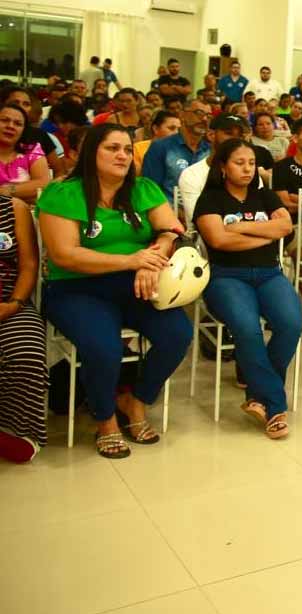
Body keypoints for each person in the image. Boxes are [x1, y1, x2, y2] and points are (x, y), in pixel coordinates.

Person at [38, 124, 192, 459]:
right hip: (76, 286)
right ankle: (105, 419)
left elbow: (172, 230)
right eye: (112, 148)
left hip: (137, 283)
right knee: (104, 348)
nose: (122, 155)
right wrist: (131, 260)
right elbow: (65, 255)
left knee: (178, 334)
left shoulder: (143, 189)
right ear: (91, 152)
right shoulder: (62, 193)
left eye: (127, 149)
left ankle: (135, 401)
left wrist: (153, 257)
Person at [193, 138, 300, 439]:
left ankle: (257, 394)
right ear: (223, 167)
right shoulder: (210, 199)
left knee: (291, 324)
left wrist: (239, 227)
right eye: (239, 163)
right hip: (226, 277)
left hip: (269, 274)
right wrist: (266, 235)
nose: (247, 169)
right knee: (248, 328)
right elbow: (218, 240)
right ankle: (274, 405)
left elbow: (286, 227)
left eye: (251, 163)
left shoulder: (264, 196)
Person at [0, 193, 47, 463]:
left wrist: (15, 303)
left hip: (9, 300)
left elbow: (29, 265)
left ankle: (14, 430)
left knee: (26, 351)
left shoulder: (13, 208)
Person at [177, 113, 248, 221]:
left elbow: (262, 214)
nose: (236, 140)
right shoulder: (192, 174)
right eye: (229, 133)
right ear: (211, 135)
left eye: (240, 136)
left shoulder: (248, 172)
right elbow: (200, 220)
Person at [142, 98, 211, 204]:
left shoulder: (210, 151)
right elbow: (150, 190)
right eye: (199, 113)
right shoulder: (161, 147)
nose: (205, 119)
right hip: (168, 210)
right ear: (182, 115)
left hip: (204, 211)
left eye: (209, 116)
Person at [0, 86, 65, 176]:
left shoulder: (40, 135)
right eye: (15, 102)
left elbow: (59, 171)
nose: (21, 107)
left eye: (26, 104)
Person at [0, 105, 49, 204]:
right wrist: (26, 192)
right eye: (4, 120)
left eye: (18, 124)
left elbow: (43, 184)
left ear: (24, 130)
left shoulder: (32, 150)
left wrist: (8, 191)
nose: (10, 126)